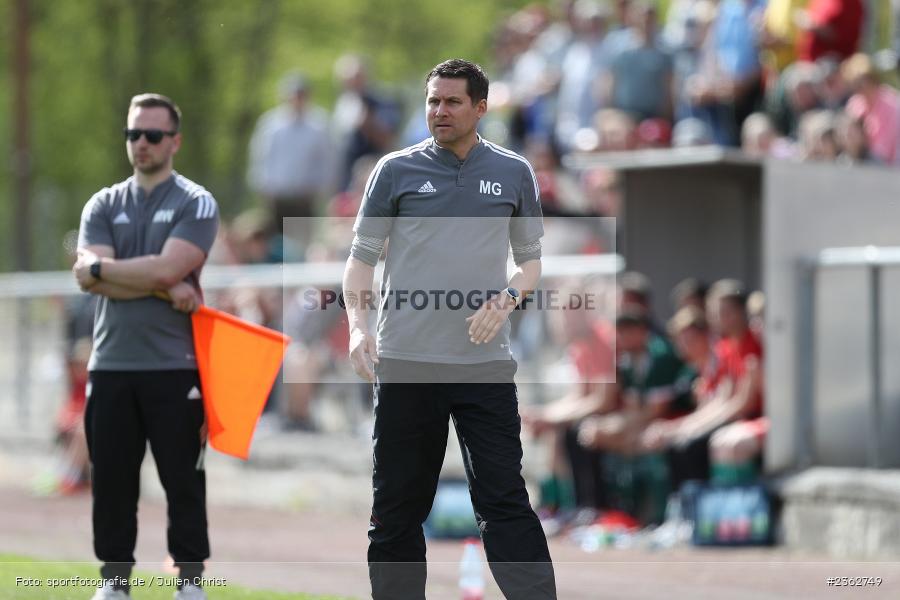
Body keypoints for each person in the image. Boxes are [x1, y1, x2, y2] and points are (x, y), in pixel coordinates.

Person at [342, 59, 556, 599]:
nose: (439, 111)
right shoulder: (394, 170)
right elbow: (359, 262)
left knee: (505, 501)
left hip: (484, 367)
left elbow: (530, 264)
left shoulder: (514, 172)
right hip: (406, 363)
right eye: (433, 100)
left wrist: (506, 299)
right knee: (396, 509)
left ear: (480, 107)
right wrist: (356, 328)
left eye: (452, 101)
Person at [73, 93, 219, 600]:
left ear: (174, 141)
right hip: (110, 365)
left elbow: (161, 267)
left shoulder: (195, 201)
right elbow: (86, 276)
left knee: (183, 482)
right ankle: (114, 583)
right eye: (133, 134)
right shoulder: (103, 203)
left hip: (174, 366)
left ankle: (190, 583)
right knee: (112, 483)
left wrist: (106, 272)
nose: (141, 144)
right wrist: (159, 284)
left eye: (152, 135)